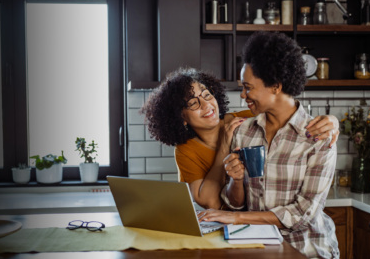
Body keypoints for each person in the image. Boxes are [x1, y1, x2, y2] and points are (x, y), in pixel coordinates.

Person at [198, 31, 339, 259]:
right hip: (257, 256)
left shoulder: (318, 137)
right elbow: (236, 203)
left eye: (247, 87)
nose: (242, 95)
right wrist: (236, 181)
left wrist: (235, 219)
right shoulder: (245, 133)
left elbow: (302, 214)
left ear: (276, 86)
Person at [140, 67, 340, 211]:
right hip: (224, 227)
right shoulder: (186, 150)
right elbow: (210, 202)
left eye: (207, 95)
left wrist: (332, 121)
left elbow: (287, 113)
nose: (206, 105)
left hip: (261, 219)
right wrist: (225, 145)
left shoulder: (244, 120)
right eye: (193, 103)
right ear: (180, 117)